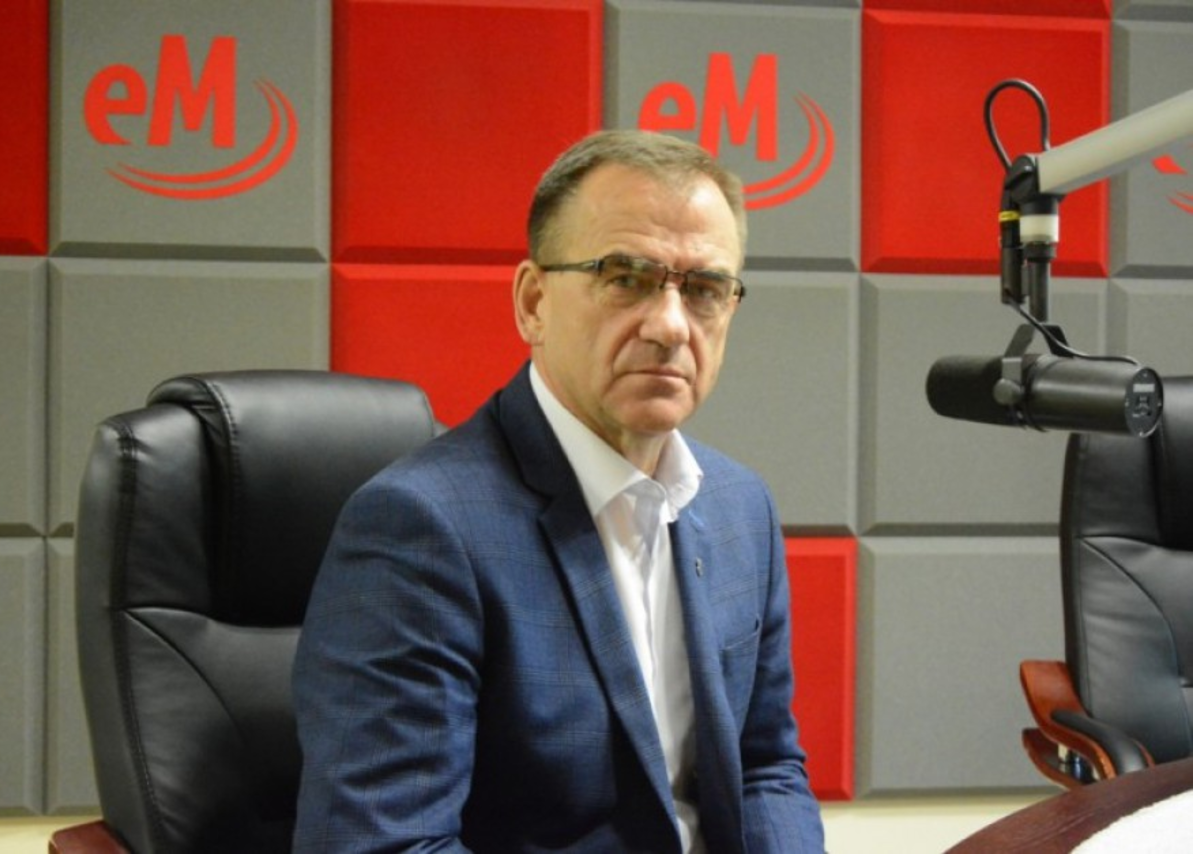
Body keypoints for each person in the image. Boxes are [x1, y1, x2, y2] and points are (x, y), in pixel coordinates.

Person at [292, 129, 824, 853]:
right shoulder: (420, 528)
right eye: (626, 277)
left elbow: (764, 767)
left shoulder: (741, 507)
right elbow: (385, 844)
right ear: (533, 302)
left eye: (704, 290)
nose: (670, 326)